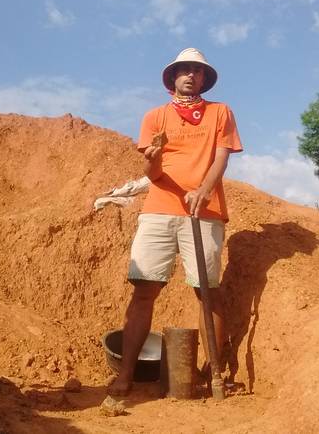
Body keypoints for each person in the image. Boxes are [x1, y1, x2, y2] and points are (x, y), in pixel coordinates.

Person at [108, 48, 243, 396]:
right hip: (159, 210)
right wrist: (151, 162)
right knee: (144, 290)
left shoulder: (220, 113)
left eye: (196, 71)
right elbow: (152, 175)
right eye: (183, 70)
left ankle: (212, 374)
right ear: (173, 78)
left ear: (204, 78)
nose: (190, 75)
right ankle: (125, 375)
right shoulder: (155, 117)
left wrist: (204, 189)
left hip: (205, 212)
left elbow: (221, 157)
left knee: (206, 293)